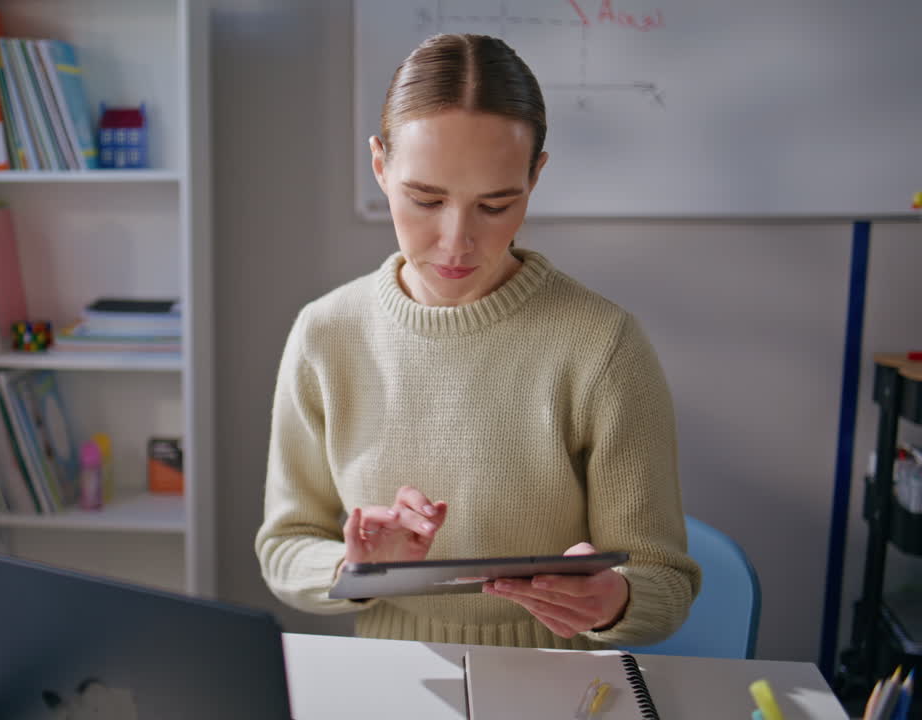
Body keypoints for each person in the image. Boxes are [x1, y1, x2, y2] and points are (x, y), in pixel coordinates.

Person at [254, 33, 700, 650]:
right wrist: (354, 571)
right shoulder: (327, 333)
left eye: (495, 204)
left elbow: (665, 583)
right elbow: (284, 546)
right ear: (380, 167)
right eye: (425, 200)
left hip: (559, 680)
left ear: (535, 175)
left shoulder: (603, 346)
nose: (456, 241)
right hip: (384, 671)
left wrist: (614, 599)